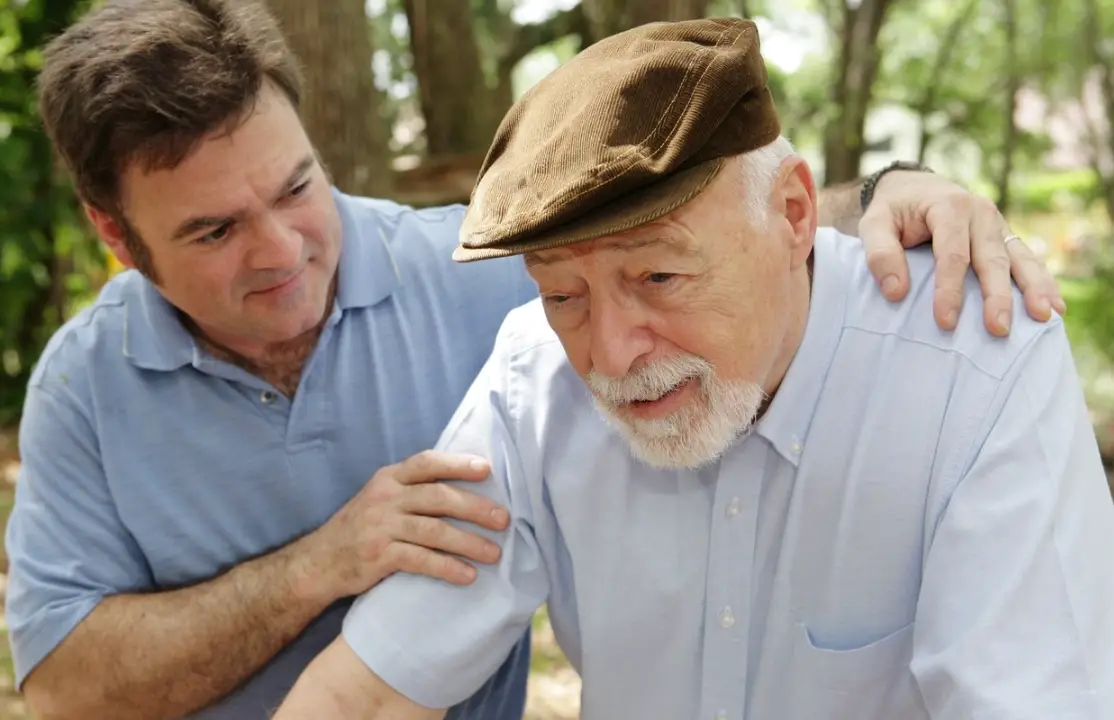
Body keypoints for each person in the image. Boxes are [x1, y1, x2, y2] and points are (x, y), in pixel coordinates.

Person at [7, 4, 1065, 720]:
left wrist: (899, 189)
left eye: (294, 189)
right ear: (118, 237)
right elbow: (68, 686)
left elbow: (728, 221)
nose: (608, 353)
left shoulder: (969, 369)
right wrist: (315, 567)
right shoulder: (85, 392)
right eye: (211, 232)